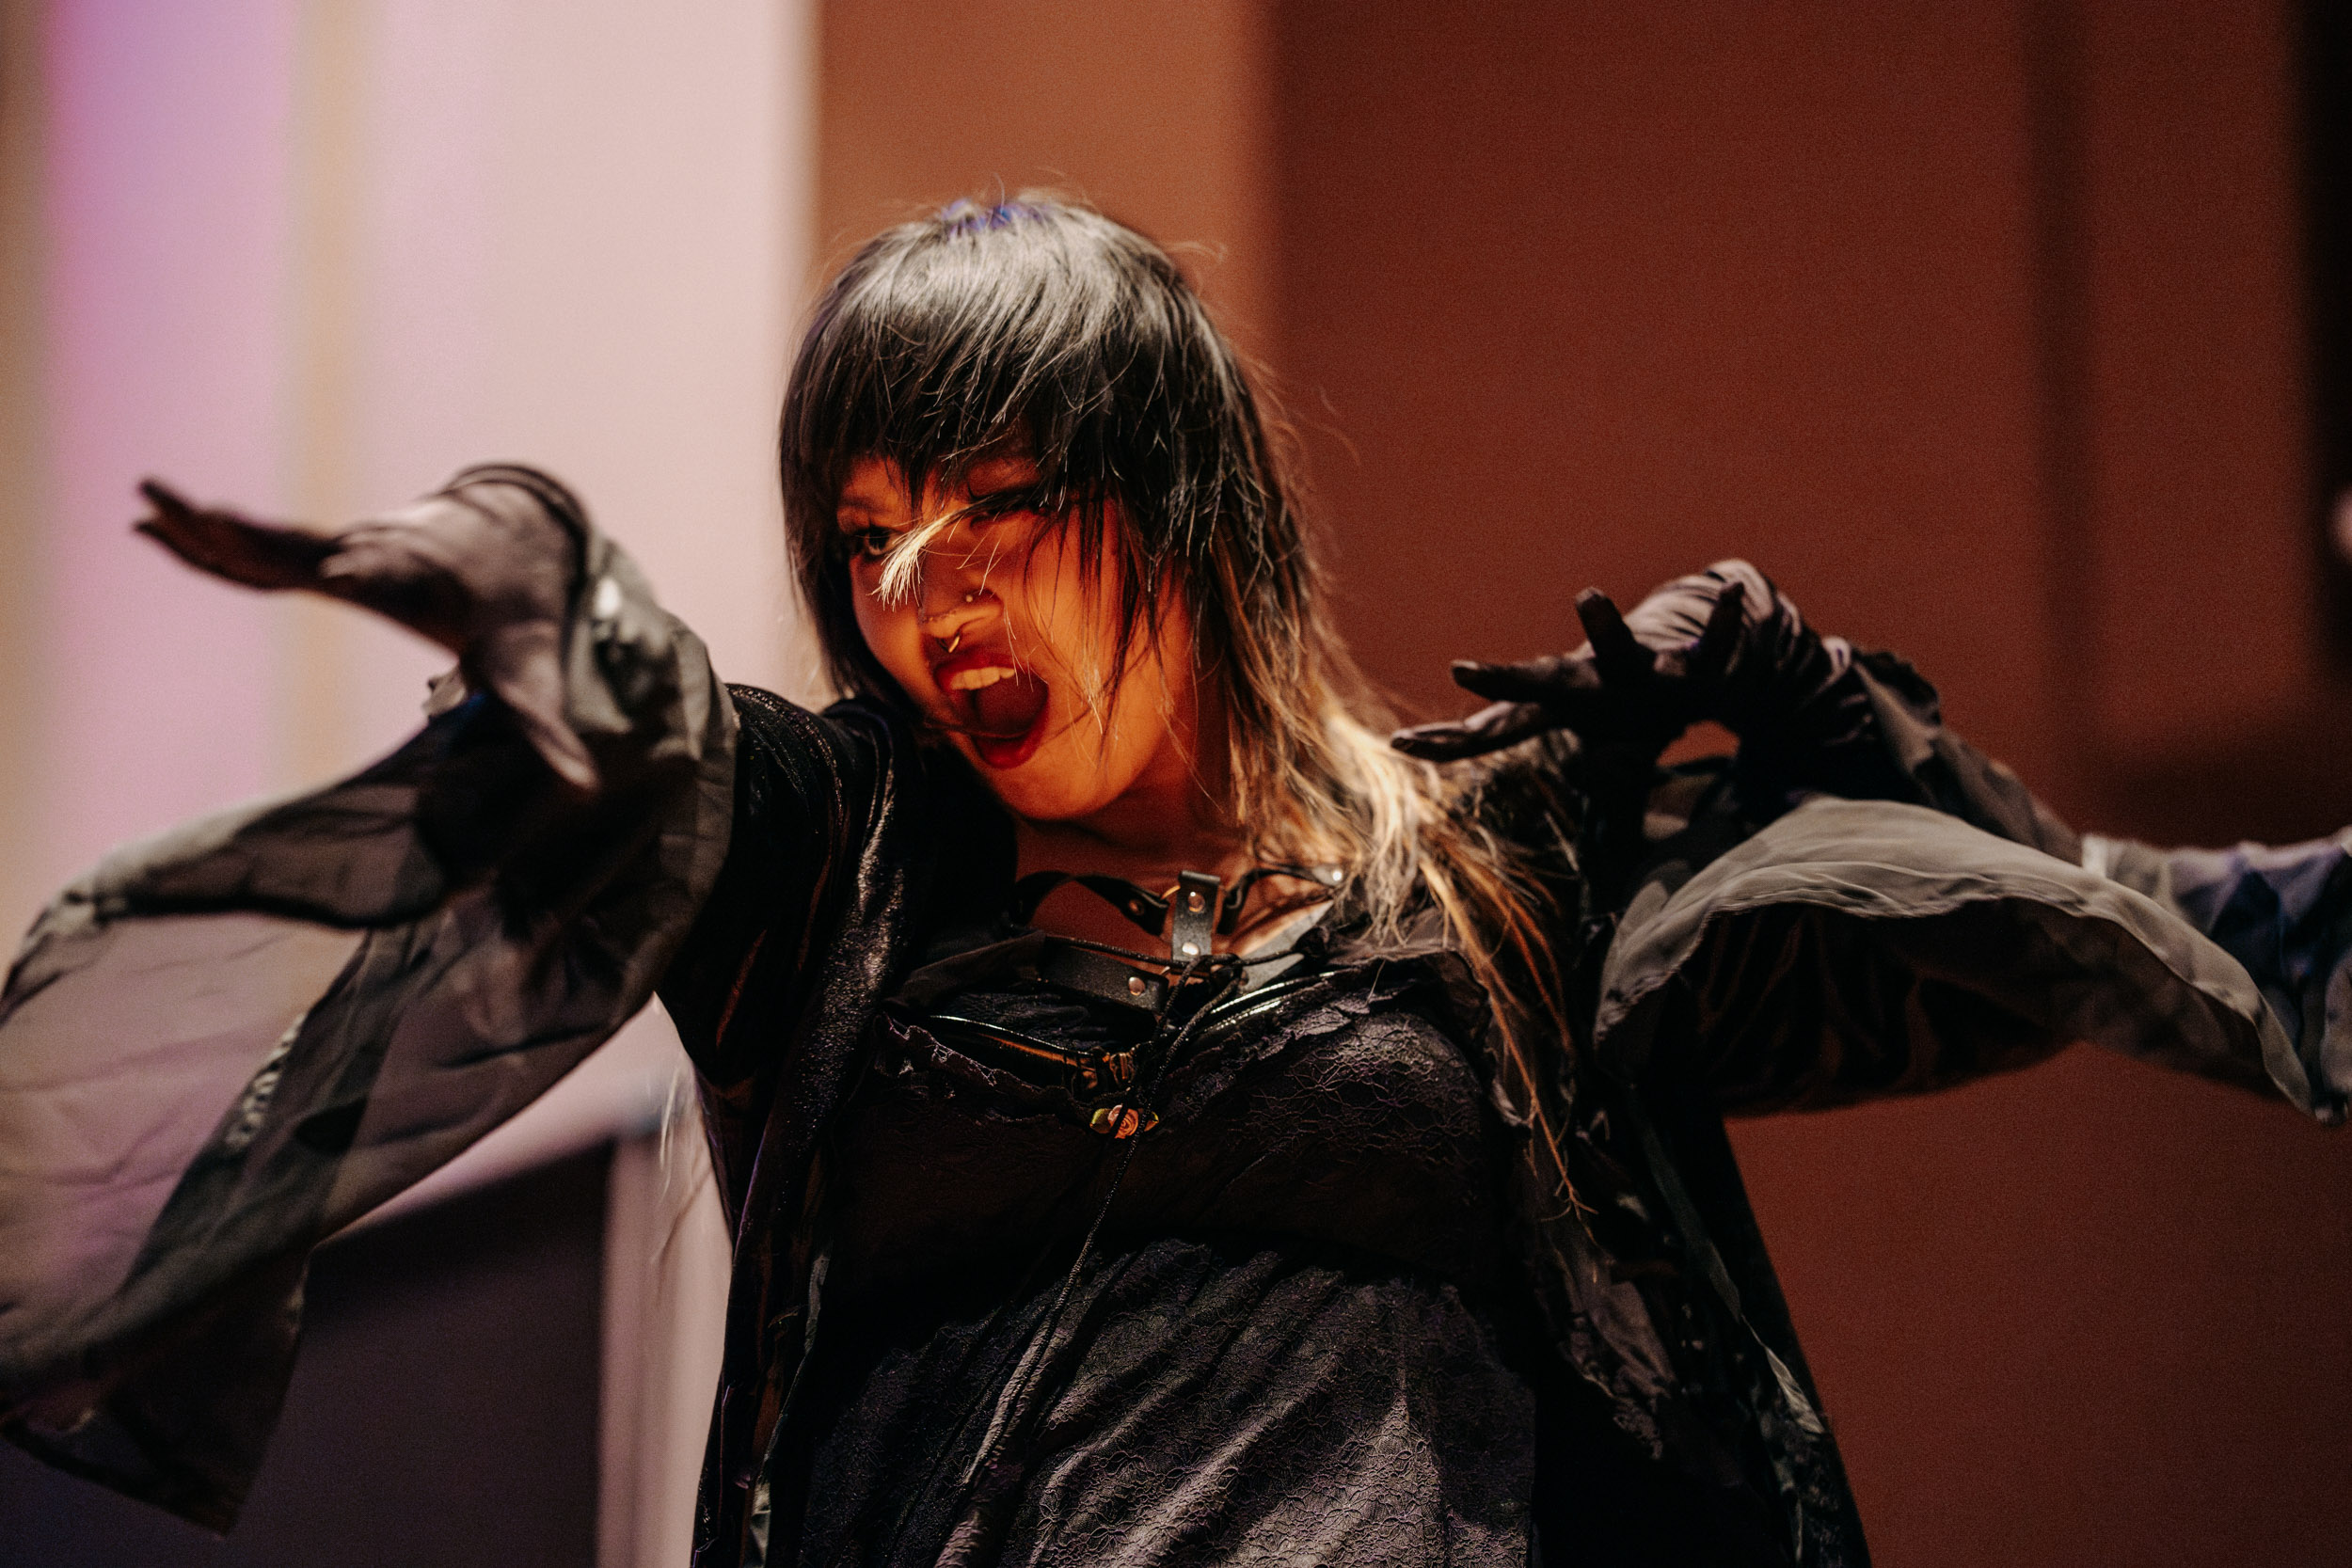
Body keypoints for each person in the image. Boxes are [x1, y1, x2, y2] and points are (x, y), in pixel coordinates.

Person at [1, 198, 2345, 1568]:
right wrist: (541, 598)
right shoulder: (838, 861)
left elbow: (2065, 932)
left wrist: (1819, 705)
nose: (917, 592)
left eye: (993, 505)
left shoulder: (1504, 879)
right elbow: (651, 755)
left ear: (1181, 497)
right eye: (865, 536)